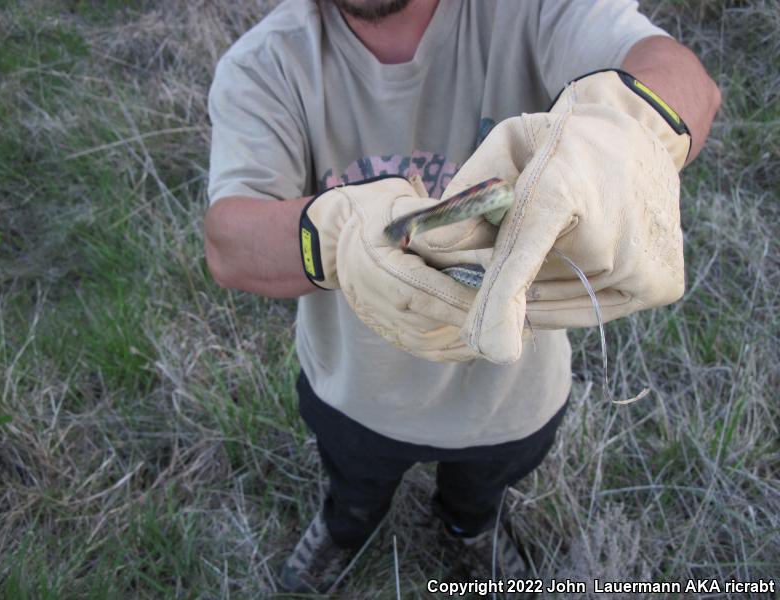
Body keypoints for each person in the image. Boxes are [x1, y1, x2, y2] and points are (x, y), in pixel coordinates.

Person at [204, 0, 720, 594]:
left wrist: (624, 139)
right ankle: (346, 526)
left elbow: (685, 80)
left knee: (482, 492)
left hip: (510, 395)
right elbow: (229, 244)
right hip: (358, 393)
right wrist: (341, 234)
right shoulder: (265, 64)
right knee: (354, 486)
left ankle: (467, 528)